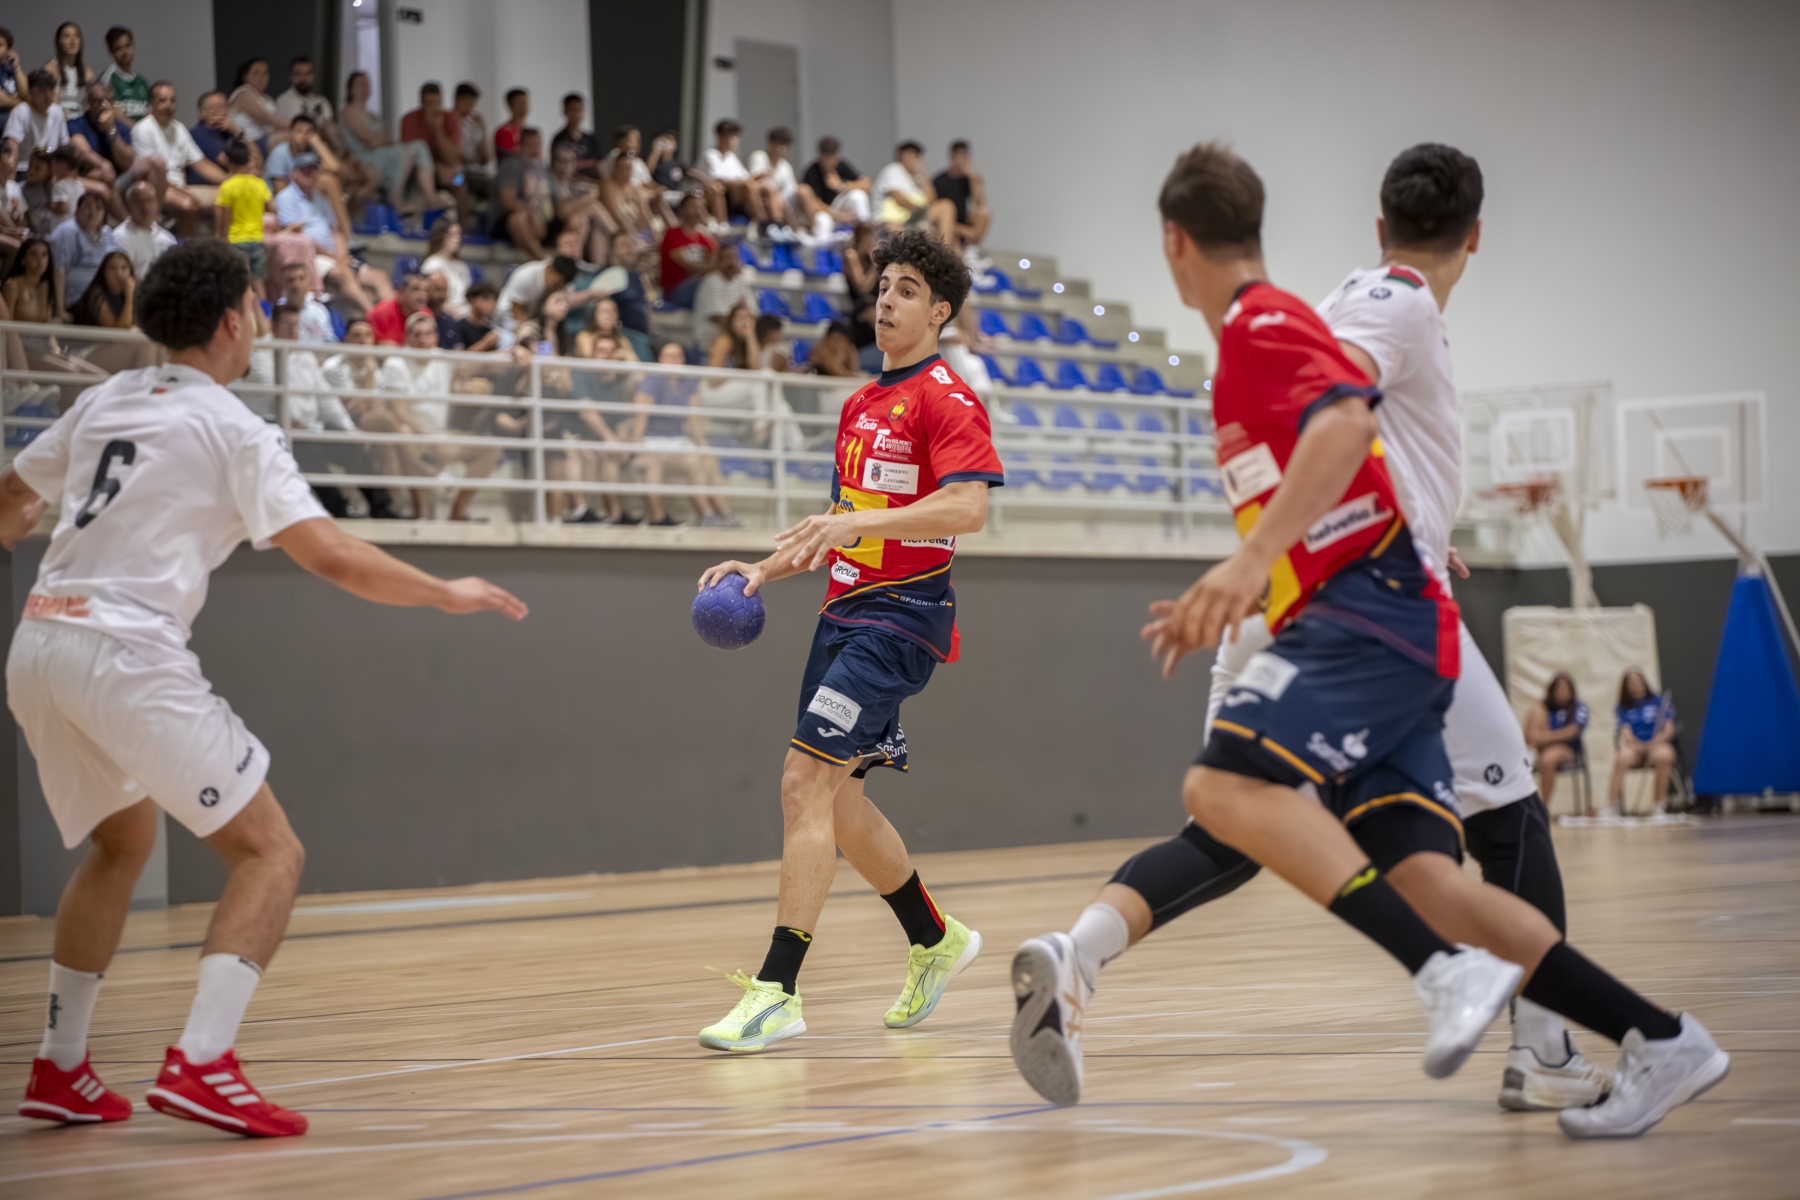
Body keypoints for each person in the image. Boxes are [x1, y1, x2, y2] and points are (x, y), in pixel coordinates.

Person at [1005, 142, 1727, 1141]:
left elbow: (1344, 418)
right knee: (1422, 874)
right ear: (1475, 235)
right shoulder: (1331, 316)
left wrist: (1255, 562)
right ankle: (1660, 1037)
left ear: (1174, 243)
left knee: (1226, 795)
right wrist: (1358, 533)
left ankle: (1460, 988)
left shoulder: (1284, 319)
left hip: (1371, 609)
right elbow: (1348, 424)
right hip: (1355, 606)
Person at [6, 241, 526, 1136]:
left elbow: (11, 503)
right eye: (252, 307)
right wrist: (446, 592)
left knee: (121, 845)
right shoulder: (235, 427)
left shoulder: (104, 398)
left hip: (39, 643)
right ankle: (203, 1062)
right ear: (230, 322)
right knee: (269, 853)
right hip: (125, 654)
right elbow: (332, 555)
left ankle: (60, 1066)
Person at [692, 229, 1000, 1050]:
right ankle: (935, 939)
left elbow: (968, 507)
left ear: (939, 312)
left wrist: (859, 524)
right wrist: (764, 568)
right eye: (884, 285)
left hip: (899, 619)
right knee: (843, 804)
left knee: (803, 784)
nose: (887, 299)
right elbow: (841, 525)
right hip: (843, 613)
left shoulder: (947, 397)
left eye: (907, 290)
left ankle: (778, 991)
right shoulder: (860, 404)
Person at [275, 152, 391, 313]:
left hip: (335, 256)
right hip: (310, 256)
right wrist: (334, 258)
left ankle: (393, 318)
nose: (311, 173)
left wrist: (341, 256)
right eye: (305, 170)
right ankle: (374, 315)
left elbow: (335, 232)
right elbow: (298, 238)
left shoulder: (320, 199)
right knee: (345, 274)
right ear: (294, 173)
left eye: (314, 169)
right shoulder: (286, 198)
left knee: (379, 276)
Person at [339, 71, 439, 214]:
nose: (364, 88)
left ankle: (430, 197)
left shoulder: (373, 115)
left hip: (382, 153)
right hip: (363, 158)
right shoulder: (349, 112)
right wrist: (382, 141)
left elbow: (386, 139)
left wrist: (382, 141)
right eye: (360, 84)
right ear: (351, 88)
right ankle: (396, 197)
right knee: (400, 153)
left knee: (419, 146)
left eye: (367, 84)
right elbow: (370, 140)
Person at [132, 81, 221, 235]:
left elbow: (202, 164)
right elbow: (149, 175)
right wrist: (182, 191)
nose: (168, 105)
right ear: (152, 104)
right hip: (158, 188)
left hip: (181, 187)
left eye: (172, 100)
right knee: (188, 204)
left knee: (230, 194)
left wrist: (233, 180)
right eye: (162, 100)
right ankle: (182, 246)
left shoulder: (179, 128)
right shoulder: (143, 129)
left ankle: (224, 244)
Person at [1610, 669, 1677, 814]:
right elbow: (1626, 732)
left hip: (1657, 744)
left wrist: (1656, 741)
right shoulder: (1622, 707)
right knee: (1621, 757)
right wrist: (1636, 743)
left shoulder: (1660, 702)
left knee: (1665, 755)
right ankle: (1612, 806)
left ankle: (1659, 805)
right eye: (1631, 681)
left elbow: (1668, 729)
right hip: (1636, 747)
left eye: (1638, 679)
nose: (1635, 683)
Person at [214, 140, 273, 291]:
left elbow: (225, 218)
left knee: (240, 283)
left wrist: (220, 237)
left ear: (230, 162)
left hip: (236, 240)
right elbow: (272, 207)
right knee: (259, 283)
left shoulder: (228, 187)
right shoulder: (259, 184)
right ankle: (263, 306)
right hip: (257, 238)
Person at [48, 191, 120, 311]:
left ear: (104, 215)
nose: (92, 212)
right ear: (77, 210)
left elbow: (119, 262)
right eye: (87, 206)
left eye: (98, 208)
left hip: (104, 299)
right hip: (77, 302)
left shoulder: (106, 233)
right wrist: (60, 310)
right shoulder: (67, 231)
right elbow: (58, 270)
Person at [874, 141, 955, 243]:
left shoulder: (915, 178)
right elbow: (899, 199)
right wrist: (920, 210)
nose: (919, 160)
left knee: (946, 209)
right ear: (906, 155)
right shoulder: (894, 170)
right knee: (945, 207)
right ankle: (944, 249)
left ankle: (945, 248)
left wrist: (924, 177)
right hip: (892, 221)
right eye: (916, 156)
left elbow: (932, 201)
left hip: (912, 220)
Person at [1527, 673, 1589, 805]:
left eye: (1566, 688)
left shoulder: (1578, 707)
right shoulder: (1543, 708)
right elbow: (1532, 735)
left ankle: (1544, 805)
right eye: (1559, 688)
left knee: (1548, 758)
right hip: (1540, 749)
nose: (1563, 691)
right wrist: (1540, 738)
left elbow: (1573, 731)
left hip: (1568, 749)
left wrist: (1546, 737)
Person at [398, 82, 466, 200]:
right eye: (429, 103)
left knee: (458, 180)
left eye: (437, 103)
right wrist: (435, 168)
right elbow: (409, 157)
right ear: (422, 102)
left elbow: (454, 158)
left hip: (449, 171)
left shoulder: (453, 118)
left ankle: (456, 209)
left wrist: (438, 130)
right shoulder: (409, 120)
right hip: (420, 171)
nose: (433, 107)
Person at [493, 127, 552, 258]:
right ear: (520, 147)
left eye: (537, 145)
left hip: (542, 219)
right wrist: (533, 214)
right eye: (530, 145)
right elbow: (507, 199)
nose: (534, 149)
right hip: (508, 222)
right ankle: (542, 259)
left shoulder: (544, 169)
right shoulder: (512, 165)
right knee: (519, 218)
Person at [697, 118, 766, 225]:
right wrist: (746, 181)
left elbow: (745, 177)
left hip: (732, 195)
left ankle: (772, 223)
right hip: (710, 194)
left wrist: (758, 177)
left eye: (735, 137)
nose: (734, 141)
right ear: (720, 137)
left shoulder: (731, 157)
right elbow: (718, 180)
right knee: (748, 187)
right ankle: (761, 223)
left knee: (765, 188)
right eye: (731, 137)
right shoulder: (710, 154)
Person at [658, 191, 718, 308]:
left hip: (698, 286)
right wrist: (711, 268)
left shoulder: (704, 237)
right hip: (676, 291)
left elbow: (717, 257)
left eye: (701, 207)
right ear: (682, 209)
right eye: (693, 207)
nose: (698, 211)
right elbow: (685, 263)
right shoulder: (672, 234)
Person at [931, 140, 990, 259]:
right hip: (947, 222)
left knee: (984, 212)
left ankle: (972, 249)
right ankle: (958, 252)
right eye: (957, 157)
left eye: (963, 157)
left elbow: (979, 202)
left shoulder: (969, 179)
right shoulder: (939, 180)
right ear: (951, 157)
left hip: (963, 223)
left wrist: (972, 176)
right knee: (949, 216)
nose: (959, 161)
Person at [798, 137, 871, 226]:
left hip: (838, 206)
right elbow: (813, 203)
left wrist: (842, 186)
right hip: (824, 211)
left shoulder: (841, 165)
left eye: (834, 157)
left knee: (858, 196)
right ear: (820, 156)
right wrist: (840, 217)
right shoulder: (812, 172)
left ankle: (865, 229)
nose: (831, 162)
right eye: (827, 158)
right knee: (822, 221)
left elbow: (866, 184)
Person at [5, 70, 70, 168]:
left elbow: (65, 146)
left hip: (51, 171)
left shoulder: (57, 112)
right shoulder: (21, 111)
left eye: (51, 89)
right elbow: (11, 145)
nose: (48, 95)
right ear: (30, 92)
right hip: (24, 169)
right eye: (41, 90)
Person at [692, 243, 754, 339]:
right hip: (709, 342)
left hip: (734, 341)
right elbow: (719, 319)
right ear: (719, 261)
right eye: (728, 258)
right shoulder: (711, 281)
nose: (732, 262)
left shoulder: (741, 281)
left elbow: (753, 313)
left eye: (735, 257)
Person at [226, 59, 288, 156]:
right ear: (245, 76)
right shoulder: (243, 93)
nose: (261, 77)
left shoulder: (267, 98)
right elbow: (264, 119)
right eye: (256, 73)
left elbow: (275, 126)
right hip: (248, 143)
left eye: (265, 73)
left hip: (266, 139)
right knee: (292, 136)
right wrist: (296, 124)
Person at [421, 216, 472, 317]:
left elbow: (468, 297)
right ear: (441, 236)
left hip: (466, 312)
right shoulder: (432, 264)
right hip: (446, 314)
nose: (457, 239)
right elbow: (436, 300)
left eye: (459, 234)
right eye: (452, 235)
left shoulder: (462, 266)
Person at [69, 248, 133, 328]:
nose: (119, 274)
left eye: (124, 268)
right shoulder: (97, 295)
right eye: (112, 268)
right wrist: (129, 296)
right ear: (104, 272)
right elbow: (119, 330)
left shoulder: (133, 291)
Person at [97, 28, 149, 123]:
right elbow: (116, 115)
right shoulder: (108, 79)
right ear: (111, 51)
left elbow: (150, 112)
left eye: (127, 46)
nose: (125, 52)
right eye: (119, 48)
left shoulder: (142, 81)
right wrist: (138, 130)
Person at [367, 272, 430, 347]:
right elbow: (385, 349)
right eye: (415, 289)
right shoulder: (381, 313)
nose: (422, 294)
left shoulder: (426, 314)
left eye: (426, 290)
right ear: (401, 293)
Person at [45, 23, 91, 119]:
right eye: (66, 36)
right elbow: (51, 101)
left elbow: (88, 104)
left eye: (76, 36)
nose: (72, 41)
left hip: (81, 119)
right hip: (59, 118)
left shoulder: (88, 72)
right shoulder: (51, 68)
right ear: (59, 42)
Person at [551, 92, 602, 178]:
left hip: (592, 182)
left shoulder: (590, 139)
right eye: (573, 110)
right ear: (565, 111)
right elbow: (557, 169)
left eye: (579, 110)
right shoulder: (560, 139)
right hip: (569, 183)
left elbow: (598, 164)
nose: (577, 114)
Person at [274, 56, 333, 127]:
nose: (303, 78)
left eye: (307, 74)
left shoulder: (321, 101)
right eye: (298, 74)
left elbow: (329, 126)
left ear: (313, 75)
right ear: (291, 76)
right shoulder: (284, 101)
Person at [494, 88, 529, 159]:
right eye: (520, 103)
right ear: (510, 106)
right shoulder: (504, 132)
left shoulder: (529, 131)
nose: (524, 107)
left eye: (525, 103)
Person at [0, 28, 25, 126]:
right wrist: (19, 103)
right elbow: (1, 100)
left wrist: (17, 67)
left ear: (8, 50)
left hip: (11, 116)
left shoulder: (8, 68)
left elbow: (26, 95)